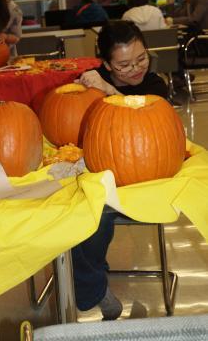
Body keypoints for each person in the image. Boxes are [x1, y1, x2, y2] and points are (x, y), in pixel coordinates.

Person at [72, 21, 168, 320]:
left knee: (96, 210)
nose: (136, 69)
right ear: (106, 64)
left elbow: (149, 116)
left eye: (141, 59)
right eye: (124, 65)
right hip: (102, 172)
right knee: (72, 206)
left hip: (148, 180)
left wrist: (109, 90)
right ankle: (91, 284)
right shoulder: (91, 81)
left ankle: (89, 285)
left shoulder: (154, 86)